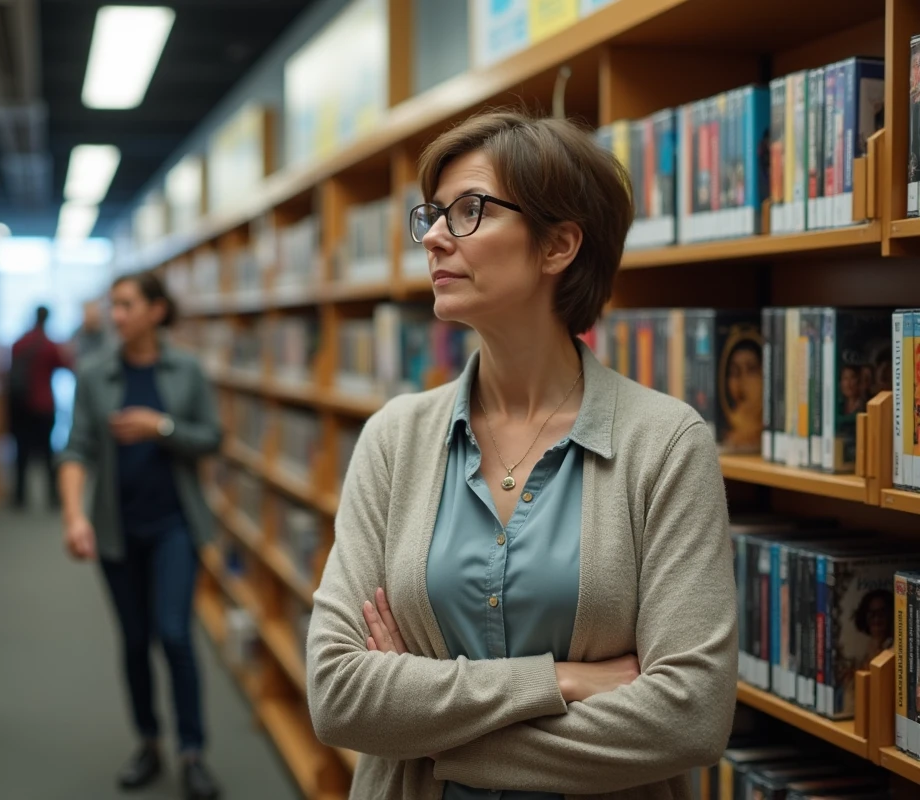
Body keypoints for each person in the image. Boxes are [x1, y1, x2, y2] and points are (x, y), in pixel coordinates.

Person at [305, 110, 737, 800]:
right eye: (434, 215)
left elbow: (689, 719)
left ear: (558, 244)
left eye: (469, 211)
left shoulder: (665, 443)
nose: (435, 237)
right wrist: (557, 679)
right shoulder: (394, 438)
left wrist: (427, 729)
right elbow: (338, 694)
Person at [57, 272, 223, 800]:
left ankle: (192, 751)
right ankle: (148, 742)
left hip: (175, 524)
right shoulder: (95, 374)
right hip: (117, 529)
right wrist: (74, 516)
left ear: (156, 310)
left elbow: (211, 438)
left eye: (127, 305)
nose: (117, 315)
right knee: (133, 640)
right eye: (114, 305)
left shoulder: (187, 370)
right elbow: (76, 448)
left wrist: (162, 427)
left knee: (174, 634)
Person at [9, 305, 71, 509]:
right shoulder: (50, 345)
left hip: (21, 405)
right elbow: (65, 365)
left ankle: (19, 497)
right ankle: (52, 497)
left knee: (21, 451)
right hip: (43, 405)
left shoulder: (19, 343)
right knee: (47, 452)